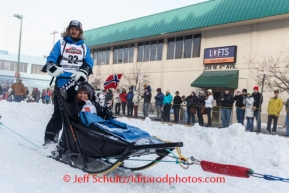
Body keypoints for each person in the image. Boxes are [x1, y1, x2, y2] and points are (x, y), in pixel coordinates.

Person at [42, 20, 94, 145]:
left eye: (76, 29)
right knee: (59, 113)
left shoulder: (84, 47)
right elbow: (52, 57)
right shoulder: (61, 43)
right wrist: (51, 66)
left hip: (78, 83)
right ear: (68, 30)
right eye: (72, 29)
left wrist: (83, 71)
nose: (74, 31)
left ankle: (75, 142)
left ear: (80, 32)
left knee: (77, 113)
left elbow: (89, 62)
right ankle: (50, 139)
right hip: (62, 82)